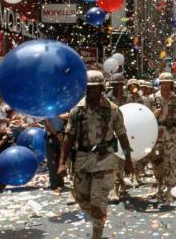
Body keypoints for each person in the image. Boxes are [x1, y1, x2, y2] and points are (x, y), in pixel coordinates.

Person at [57, 70, 134, 239]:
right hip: (82, 159)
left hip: (104, 159)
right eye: (87, 88)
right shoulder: (77, 110)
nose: (89, 91)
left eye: (93, 88)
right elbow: (69, 137)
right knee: (81, 197)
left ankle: (97, 233)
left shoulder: (113, 110)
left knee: (98, 199)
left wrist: (128, 159)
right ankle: (97, 216)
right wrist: (62, 163)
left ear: (102, 88)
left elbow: (122, 136)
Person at [147, 72, 176, 204]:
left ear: (171, 83)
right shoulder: (150, 99)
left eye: (168, 82)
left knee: (171, 163)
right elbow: (144, 119)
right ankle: (160, 186)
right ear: (160, 83)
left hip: (172, 134)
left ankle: (169, 190)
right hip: (155, 134)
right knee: (157, 162)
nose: (165, 85)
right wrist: (154, 114)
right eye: (163, 82)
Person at [105, 73, 131, 203]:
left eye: (120, 85)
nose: (118, 87)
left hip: (126, 134)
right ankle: (114, 189)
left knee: (122, 160)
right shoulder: (106, 99)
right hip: (111, 134)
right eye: (116, 85)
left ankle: (120, 182)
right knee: (114, 161)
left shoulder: (129, 98)